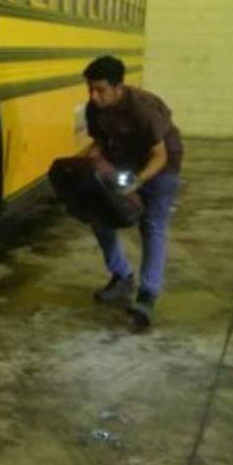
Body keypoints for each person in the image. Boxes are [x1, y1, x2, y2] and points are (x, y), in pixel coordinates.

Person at [83, 55, 184, 328]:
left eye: (101, 90)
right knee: (99, 218)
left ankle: (148, 295)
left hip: (162, 165)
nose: (94, 96)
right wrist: (88, 167)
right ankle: (122, 277)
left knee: (152, 225)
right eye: (90, 89)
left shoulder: (143, 108)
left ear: (119, 88)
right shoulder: (94, 108)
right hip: (126, 158)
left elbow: (159, 155)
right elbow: (100, 143)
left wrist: (137, 183)